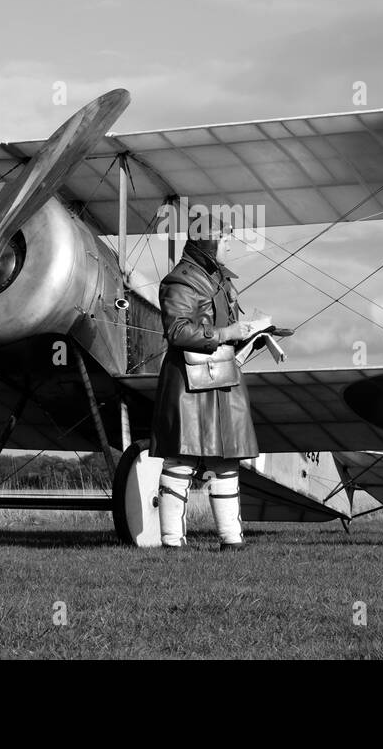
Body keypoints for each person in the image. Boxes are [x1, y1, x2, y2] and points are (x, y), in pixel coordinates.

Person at [150, 220, 269, 550]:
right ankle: (172, 543)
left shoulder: (217, 278)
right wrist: (228, 334)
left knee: (226, 459)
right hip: (189, 382)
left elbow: (217, 327)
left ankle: (232, 541)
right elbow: (177, 332)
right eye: (225, 239)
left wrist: (253, 337)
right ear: (209, 243)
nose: (230, 245)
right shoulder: (180, 281)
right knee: (181, 458)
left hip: (220, 377)